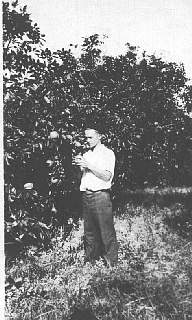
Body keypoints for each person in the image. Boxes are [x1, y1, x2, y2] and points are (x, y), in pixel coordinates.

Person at [74, 127, 118, 266]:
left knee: (106, 231)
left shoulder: (108, 153)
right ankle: (90, 261)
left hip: (101, 195)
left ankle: (111, 263)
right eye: (85, 137)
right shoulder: (86, 154)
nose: (87, 140)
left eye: (90, 137)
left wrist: (89, 165)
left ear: (100, 136)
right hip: (86, 195)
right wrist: (79, 167)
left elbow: (107, 176)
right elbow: (83, 177)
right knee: (89, 231)